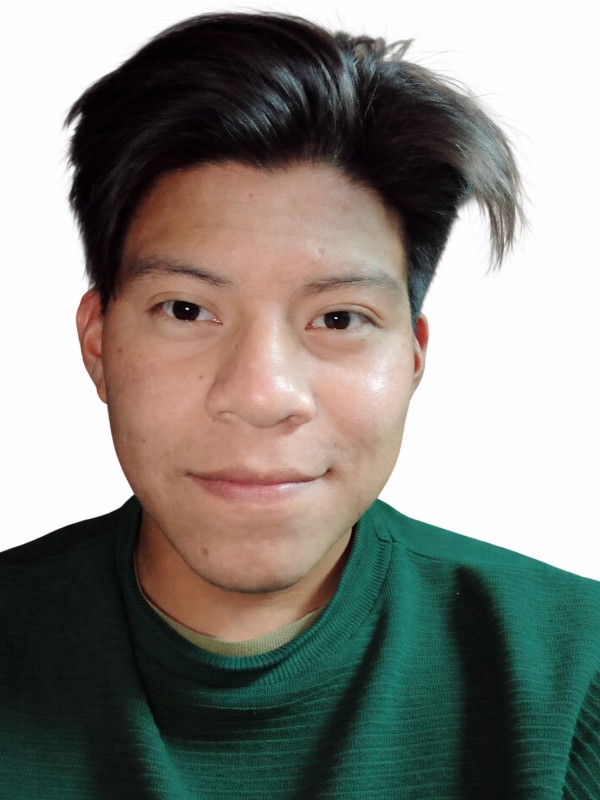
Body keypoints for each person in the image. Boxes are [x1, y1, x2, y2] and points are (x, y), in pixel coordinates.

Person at [0, 11, 598, 798]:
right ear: (99, 343)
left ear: (413, 356)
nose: (261, 395)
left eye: (339, 319)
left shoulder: (573, 679)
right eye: (187, 310)